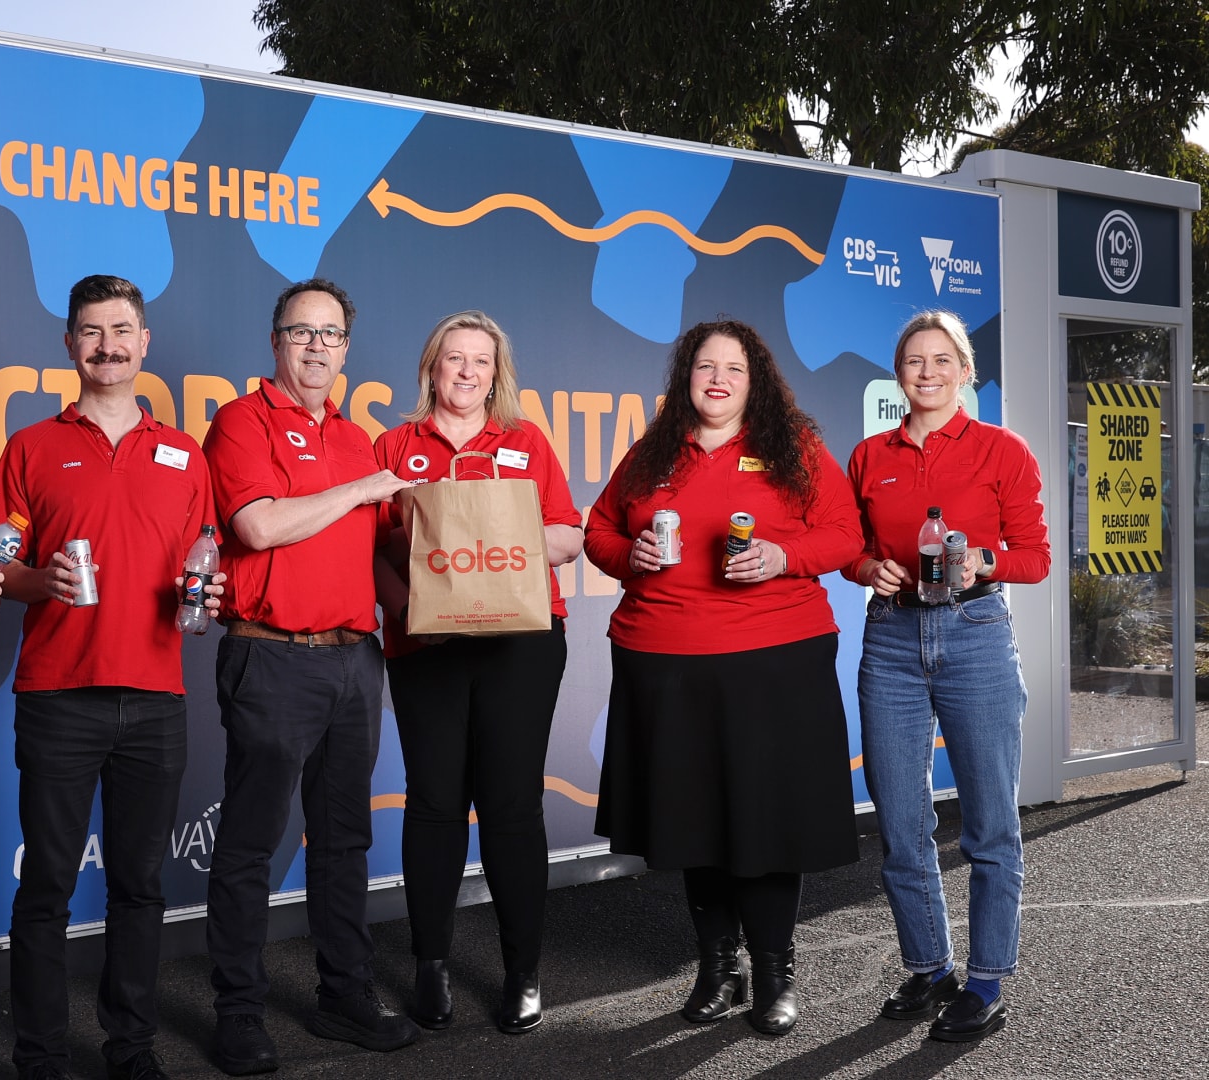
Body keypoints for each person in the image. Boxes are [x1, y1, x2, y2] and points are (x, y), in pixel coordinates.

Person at [584, 319, 862, 1037]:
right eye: (704, 367)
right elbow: (599, 532)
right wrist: (632, 555)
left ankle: (774, 973)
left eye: (732, 369)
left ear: (754, 381)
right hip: (661, 658)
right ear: (686, 379)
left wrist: (780, 556)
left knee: (763, 819)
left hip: (773, 659)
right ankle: (718, 967)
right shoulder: (652, 453)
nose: (716, 379)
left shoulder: (792, 448)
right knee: (691, 819)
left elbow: (845, 534)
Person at [0, 275, 219, 1080]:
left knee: (140, 887)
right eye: (91, 332)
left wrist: (211, 590)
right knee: (47, 887)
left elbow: (203, 562)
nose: (108, 346)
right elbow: (0, 570)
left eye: (122, 330)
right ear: (69, 345)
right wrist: (37, 580)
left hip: (157, 697)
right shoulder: (30, 447)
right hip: (56, 694)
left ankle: (131, 1048)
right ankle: (41, 1055)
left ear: (144, 341)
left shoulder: (186, 454)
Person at [201, 279, 418, 1075]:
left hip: (355, 657)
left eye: (331, 335)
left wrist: (447, 615)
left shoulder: (359, 437)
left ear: (347, 349)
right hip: (272, 654)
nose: (318, 347)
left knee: (343, 840)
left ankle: (345, 996)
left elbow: (378, 559)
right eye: (303, 333)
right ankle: (238, 1012)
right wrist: (365, 488)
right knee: (253, 844)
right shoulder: (240, 422)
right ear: (276, 343)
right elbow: (257, 526)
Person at [842, 310, 1049, 1043]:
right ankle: (931, 968)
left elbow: (1035, 555)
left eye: (941, 360)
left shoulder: (1002, 450)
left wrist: (983, 561)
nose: (926, 373)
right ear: (897, 374)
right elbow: (850, 550)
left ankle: (987, 982)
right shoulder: (870, 456)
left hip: (976, 634)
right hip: (893, 637)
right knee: (901, 825)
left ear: (966, 371)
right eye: (913, 362)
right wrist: (869, 566)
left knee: (991, 825)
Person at [371, 311, 581, 1034]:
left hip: (519, 642)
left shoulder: (525, 443)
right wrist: (409, 617)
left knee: (512, 805)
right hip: (425, 647)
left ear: (498, 374)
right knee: (432, 803)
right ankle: (431, 966)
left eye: (480, 363)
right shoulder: (393, 447)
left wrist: (505, 534)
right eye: (453, 359)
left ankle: (523, 972)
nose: (466, 373)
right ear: (431, 368)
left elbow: (569, 536)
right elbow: (372, 551)